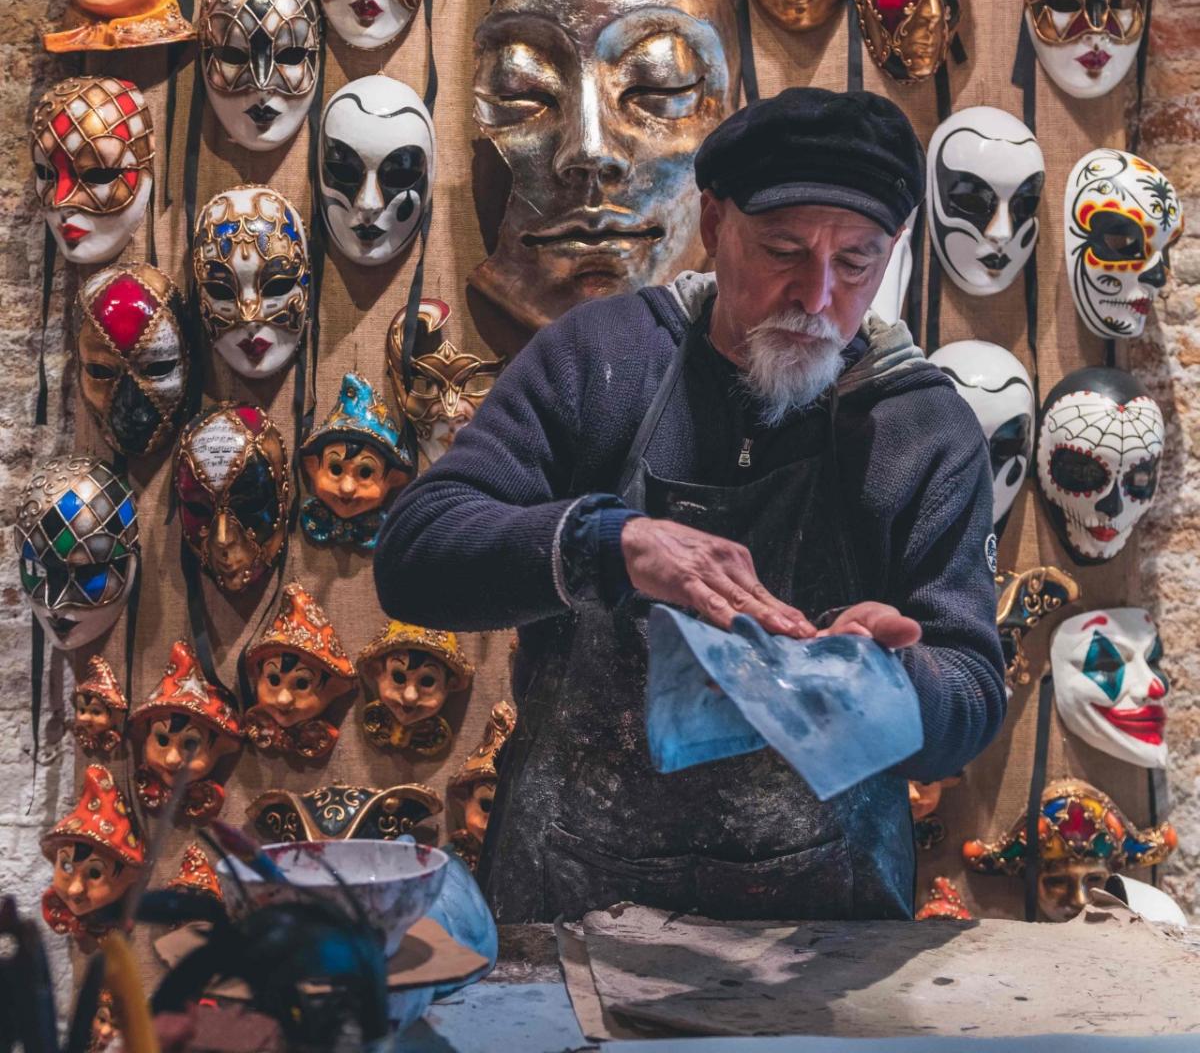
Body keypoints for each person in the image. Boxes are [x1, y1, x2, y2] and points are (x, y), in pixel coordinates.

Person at [375, 87, 1007, 923]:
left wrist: (896, 687)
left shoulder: (918, 426)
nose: (816, 296)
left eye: (854, 261)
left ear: (891, 254)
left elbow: (971, 692)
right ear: (714, 225)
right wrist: (608, 544)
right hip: (571, 895)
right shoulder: (601, 359)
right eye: (783, 249)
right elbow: (415, 557)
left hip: (821, 932)